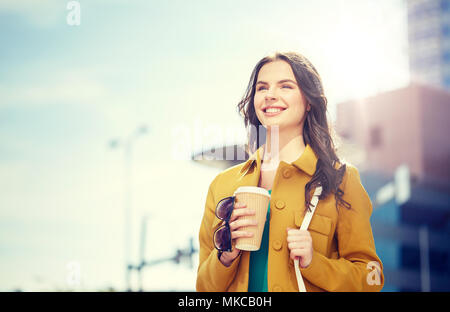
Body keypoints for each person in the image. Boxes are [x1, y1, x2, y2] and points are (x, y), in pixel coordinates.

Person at [196, 51, 384, 292]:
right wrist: (225, 257)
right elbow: (202, 287)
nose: (270, 95)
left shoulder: (342, 179)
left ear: (309, 101)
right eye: (262, 88)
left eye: (286, 86)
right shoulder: (222, 184)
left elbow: (373, 277)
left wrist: (315, 264)